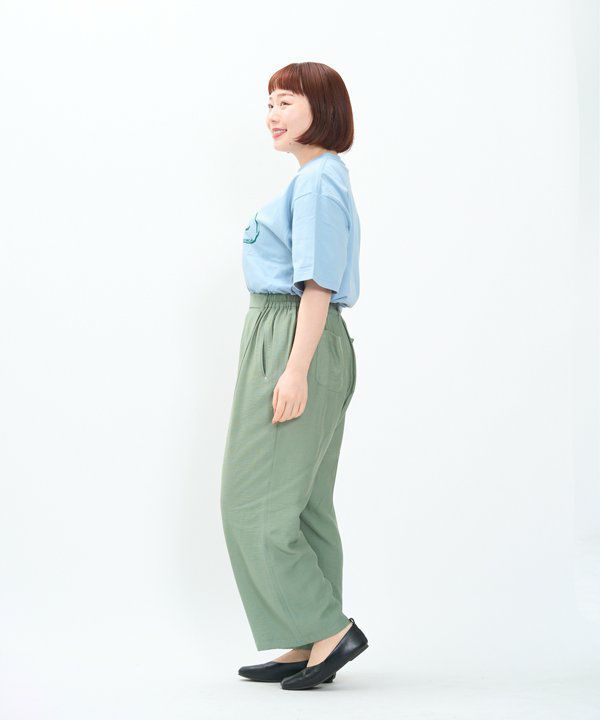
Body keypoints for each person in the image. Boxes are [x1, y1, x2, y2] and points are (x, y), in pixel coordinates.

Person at [220, 61, 368, 691]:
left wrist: (295, 369)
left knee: (252, 503)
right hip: (294, 335)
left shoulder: (316, 183)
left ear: (321, 108)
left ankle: (330, 629)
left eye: (286, 101)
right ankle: (311, 637)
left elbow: (318, 282)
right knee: (304, 506)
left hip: (294, 337)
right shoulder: (316, 179)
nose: (272, 114)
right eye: (270, 102)